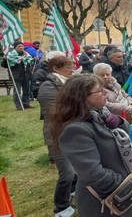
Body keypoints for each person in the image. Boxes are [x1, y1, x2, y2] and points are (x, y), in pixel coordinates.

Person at [50, 74, 132, 217]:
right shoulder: (76, 130)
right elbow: (92, 173)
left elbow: (124, 132)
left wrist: (118, 121)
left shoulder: (101, 115)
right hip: (104, 202)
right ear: (83, 98)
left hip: (119, 195)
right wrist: (124, 185)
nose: (105, 93)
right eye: (99, 90)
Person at [37, 56, 76, 216]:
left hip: (73, 132)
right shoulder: (48, 86)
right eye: (68, 66)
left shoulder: (67, 84)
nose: (72, 69)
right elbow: (56, 112)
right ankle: (61, 207)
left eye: (72, 66)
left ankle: (73, 193)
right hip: (57, 135)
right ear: (56, 68)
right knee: (67, 173)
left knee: (77, 169)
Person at [6, 41, 35, 110]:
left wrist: (34, 59)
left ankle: (26, 103)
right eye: (19, 46)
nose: (21, 47)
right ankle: (18, 105)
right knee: (17, 91)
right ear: (15, 47)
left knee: (27, 90)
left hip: (26, 75)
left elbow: (30, 61)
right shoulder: (10, 55)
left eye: (22, 46)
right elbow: (11, 62)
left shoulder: (26, 54)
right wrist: (5, 59)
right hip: (16, 75)